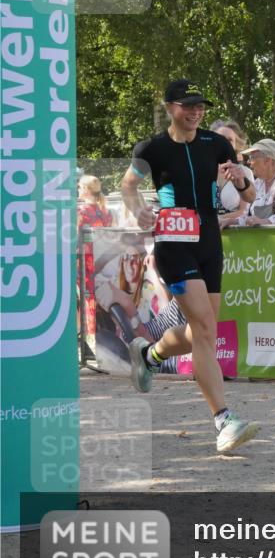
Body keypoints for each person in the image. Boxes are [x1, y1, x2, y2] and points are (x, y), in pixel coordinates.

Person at [121, 78, 259, 453]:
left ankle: (149, 355)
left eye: (200, 106)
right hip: (173, 244)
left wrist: (242, 179)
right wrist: (138, 212)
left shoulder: (218, 145)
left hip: (209, 243)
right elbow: (128, 186)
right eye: (187, 105)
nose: (196, 112)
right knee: (203, 327)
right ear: (170, 107)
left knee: (204, 330)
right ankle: (224, 420)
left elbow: (250, 194)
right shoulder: (152, 148)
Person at [77, 175, 114, 347]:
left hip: (85, 262)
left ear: (86, 189)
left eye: (79, 187)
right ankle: (99, 339)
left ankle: (90, 341)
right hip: (103, 261)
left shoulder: (82, 212)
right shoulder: (106, 212)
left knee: (87, 300)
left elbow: (73, 238)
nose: (78, 190)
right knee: (98, 299)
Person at [209, 119, 254, 227]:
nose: (224, 143)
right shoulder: (199, 170)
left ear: (236, 146)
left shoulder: (245, 172)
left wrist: (215, 220)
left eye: (230, 140)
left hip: (233, 234)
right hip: (201, 234)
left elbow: (244, 212)